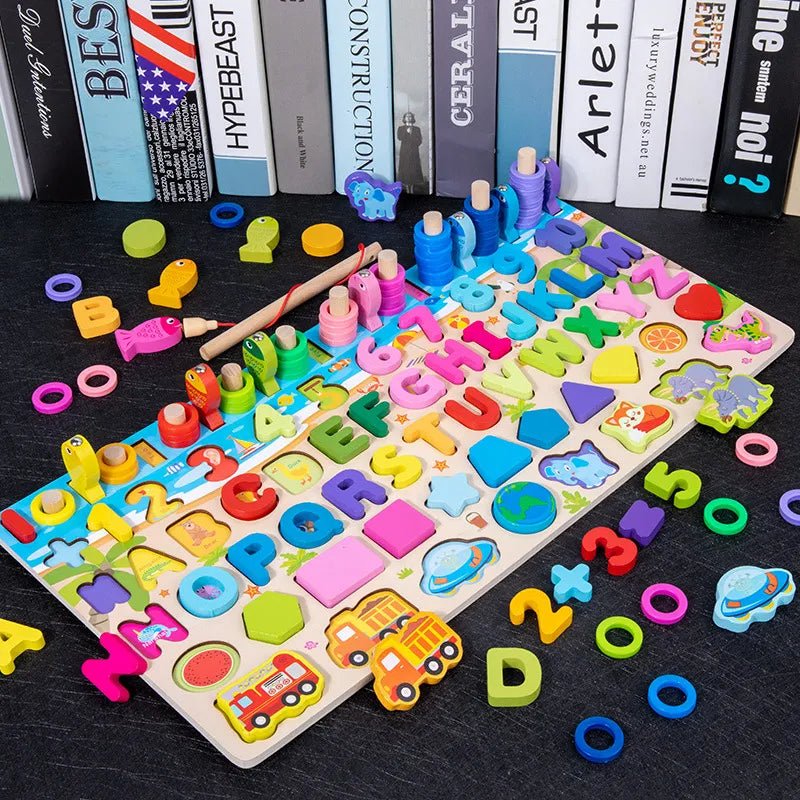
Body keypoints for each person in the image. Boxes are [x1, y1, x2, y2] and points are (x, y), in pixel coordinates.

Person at [397, 112, 425, 193]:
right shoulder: (401, 128)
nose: (408, 118)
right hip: (404, 153)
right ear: (404, 118)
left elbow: (419, 141)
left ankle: (412, 188)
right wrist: (407, 132)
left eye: (410, 116)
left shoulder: (417, 129)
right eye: (407, 116)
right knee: (405, 169)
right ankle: (406, 187)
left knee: (413, 169)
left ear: (412, 118)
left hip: (414, 153)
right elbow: (400, 137)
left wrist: (411, 135)